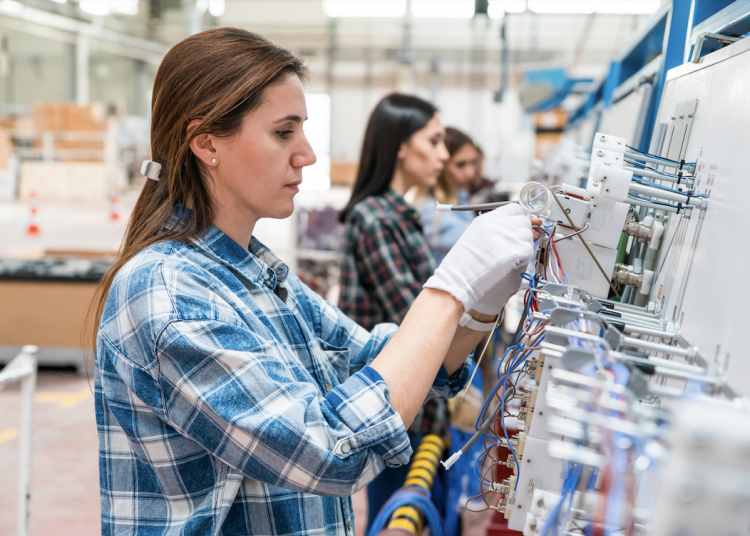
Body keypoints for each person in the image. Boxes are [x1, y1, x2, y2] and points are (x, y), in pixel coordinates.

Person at [89, 28, 534, 536]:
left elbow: (386, 364)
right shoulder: (169, 294)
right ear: (207, 143)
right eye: (284, 132)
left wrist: (483, 298)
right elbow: (330, 450)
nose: (307, 155)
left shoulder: (259, 273)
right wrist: (451, 287)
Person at [337, 94, 453, 530]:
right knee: (396, 520)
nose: (443, 154)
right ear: (401, 145)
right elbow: (416, 317)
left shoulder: (400, 215)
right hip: (397, 414)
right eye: (434, 140)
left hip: (416, 411)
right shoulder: (375, 218)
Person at [414, 126, 480, 264]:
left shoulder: (461, 195)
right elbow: (477, 240)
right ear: (441, 164)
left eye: (473, 162)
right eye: (460, 165)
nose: (470, 172)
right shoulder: (429, 210)